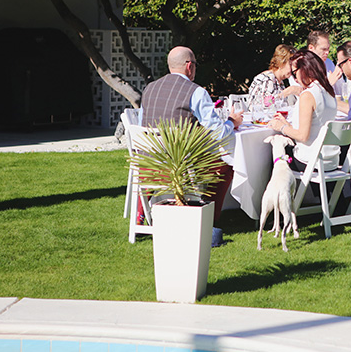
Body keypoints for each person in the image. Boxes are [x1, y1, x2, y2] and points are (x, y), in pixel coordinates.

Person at [141, 46, 242, 245]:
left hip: (148, 164)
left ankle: (142, 215)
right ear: (189, 66)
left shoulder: (149, 88)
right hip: (181, 167)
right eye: (195, 64)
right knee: (225, 165)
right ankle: (208, 221)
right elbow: (218, 132)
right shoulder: (196, 92)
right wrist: (231, 121)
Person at [267, 49, 339, 177]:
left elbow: (303, 136)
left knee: (270, 154)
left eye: (295, 73)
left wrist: (281, 127)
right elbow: (315, 128)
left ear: (304, 69)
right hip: (332, 160)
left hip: (311, 160)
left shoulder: (308, 95)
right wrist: (287, 125)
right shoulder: (328, 90)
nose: (294, 78)